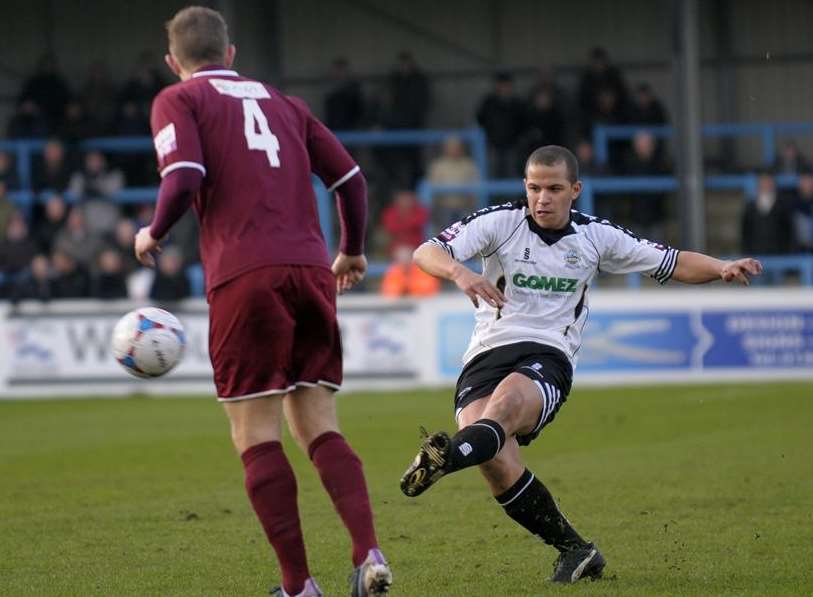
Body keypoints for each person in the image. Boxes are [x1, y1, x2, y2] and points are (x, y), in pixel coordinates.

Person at [399, 145, 762, 586]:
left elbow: (670, 262)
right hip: (486, 355)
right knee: (494, 460)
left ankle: (444, 458)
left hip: (547, 355)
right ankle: (576, 549)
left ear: (575, 190)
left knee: (506, 408)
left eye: (553, 188)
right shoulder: (499, 223)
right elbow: (426, 251)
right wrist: (460, 273)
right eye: (534, 188)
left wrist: (721, 266)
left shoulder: (596, 236)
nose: (542, 198)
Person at [132, 8, 391, 597]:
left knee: (255, 433)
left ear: (174, 63)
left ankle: (298, 586)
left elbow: (186, 174)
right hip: (310, 270)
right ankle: (368, 551)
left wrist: (153, 232)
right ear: (232, 53)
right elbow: (351, 179)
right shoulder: (285, 104)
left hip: (244, 275)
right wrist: (350, 250)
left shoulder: (178, 100)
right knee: (319, 424)